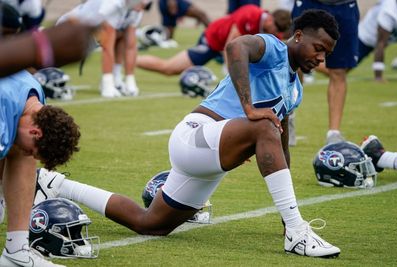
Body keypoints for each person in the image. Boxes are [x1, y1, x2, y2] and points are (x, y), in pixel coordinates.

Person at [35, 9, 341, 258]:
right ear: (298, 36)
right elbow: (235, 48)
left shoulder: (295, 89)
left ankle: (55, 183)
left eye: (326, 54)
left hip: (209, 157)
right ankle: (298, 234)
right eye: (318, 49)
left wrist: (283, 208)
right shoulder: (273, 47)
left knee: (151, 224)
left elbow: (279, 142)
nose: (320, 59)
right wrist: (249, 113)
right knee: (263, 125)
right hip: (195, 136)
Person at [0, 69, 81, 267]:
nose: (32, 156)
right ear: (36, 132)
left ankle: (16, 251)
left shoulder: (35, 96)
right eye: (33, 151)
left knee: (21, 150)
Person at [136, 5, 291, 76]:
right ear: (270, 18)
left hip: (230, 48)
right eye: (275, 28)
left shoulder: (274, 32)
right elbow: (230, 45)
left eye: (279, 32)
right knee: (169, 68)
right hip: (213, 41)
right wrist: (231, 71)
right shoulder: (251, 13)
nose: (275, 33)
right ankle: (131, 60)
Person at [292, 0, 359, 144]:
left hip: (344, 6)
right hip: (310, 3)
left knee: (339, 71)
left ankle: (334, 133)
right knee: (295, 60)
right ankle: (288, 115)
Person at [57, 0, 145, 98]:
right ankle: (107, 82)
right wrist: (107, 83)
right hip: (68, 31)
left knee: (122, 34)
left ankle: (116, 78)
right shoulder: (112, 5)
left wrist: (130, 80)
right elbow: (107, 46)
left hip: (90, 34)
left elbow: (130, 45)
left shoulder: (136, 8)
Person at [357, 0, 397, 82]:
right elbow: (380, 43)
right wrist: (378, 76)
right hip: (366, 38)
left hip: (393, 34)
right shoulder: (389, 11)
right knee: (337, 70)